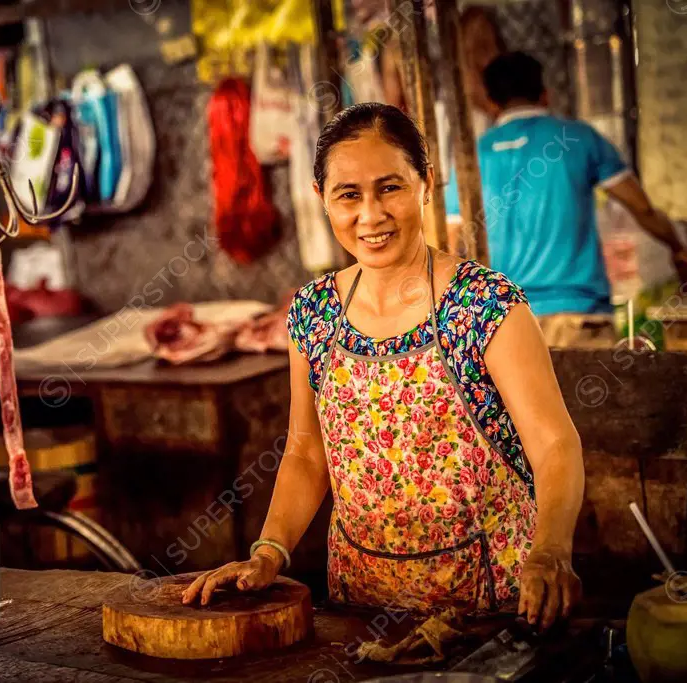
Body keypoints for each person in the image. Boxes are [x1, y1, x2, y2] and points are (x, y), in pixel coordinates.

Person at [183, 103, 585, 630]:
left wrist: (551, 551)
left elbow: (555, 445)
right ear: (321, 198)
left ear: (426, 184)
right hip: (358, 608)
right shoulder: (313, 313)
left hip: (488, 609)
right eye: (348, 195)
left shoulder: (483, 304)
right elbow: (307, 451)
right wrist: (269, 552)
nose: (370, 215)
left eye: (389, 188)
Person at [445, 52, 687, 345]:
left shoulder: (475, 154)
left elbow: (450, 237)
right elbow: (641, 208)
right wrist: (678, 248)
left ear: (491, 103)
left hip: (504, 323)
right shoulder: (579, 138)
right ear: (545, 95)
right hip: (580, 314)